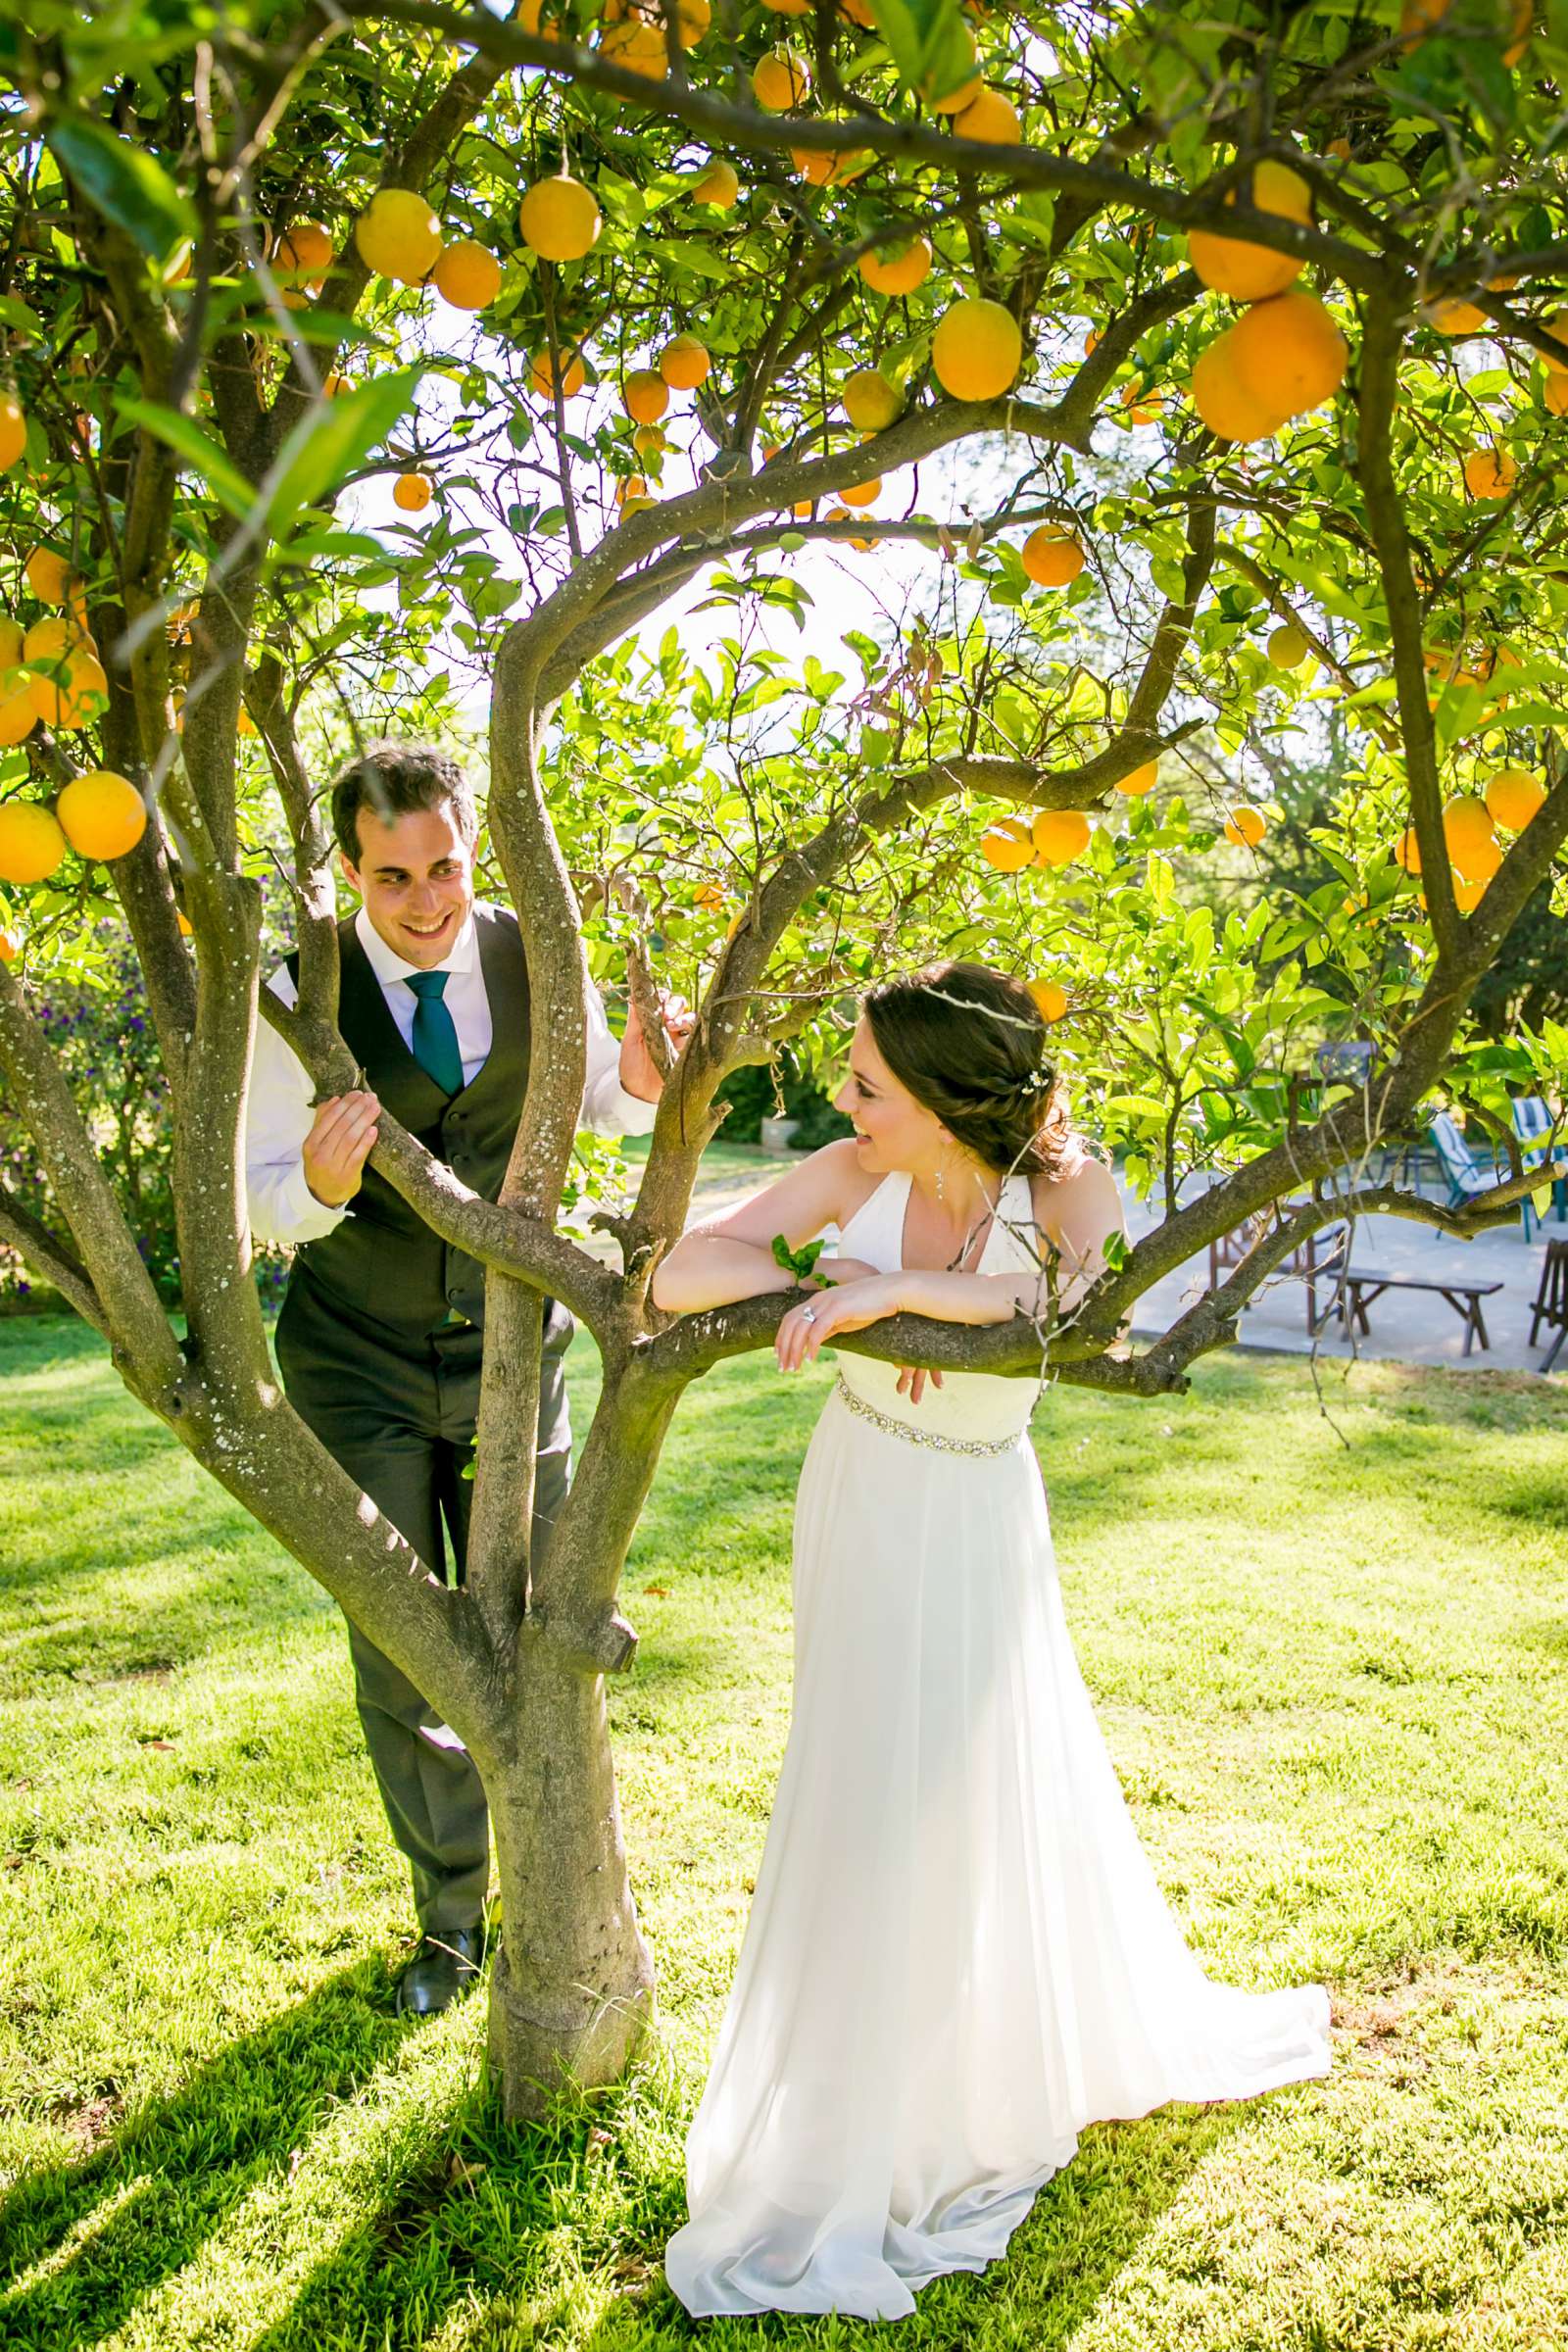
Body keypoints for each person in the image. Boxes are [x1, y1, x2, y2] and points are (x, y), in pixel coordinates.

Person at [653, 960, 1333, 2321]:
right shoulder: (857, 1174)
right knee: (866, 1795)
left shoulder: (1071, 1192)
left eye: (866, 1084)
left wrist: (897, 1299)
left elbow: (1073, 1317)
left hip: (975, 1515)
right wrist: (828, 1265)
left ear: (953, 1101)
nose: (842, 1102)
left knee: (969, 1792)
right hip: (864, 1495)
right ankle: (865, 2091)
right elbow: (677, 1269)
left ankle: (973, 2076)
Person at [246, 740, 688, 2018]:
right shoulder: (297, 990)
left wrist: (649, 1076)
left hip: (516, 1351)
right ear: (346, 870)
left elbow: (601, 1092)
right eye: (394, 878)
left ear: (469, 851)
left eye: (443, 867)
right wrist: (324, 1185)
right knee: (405, 1645)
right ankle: (449, 1922)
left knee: (543, 1622)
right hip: (357, 1364)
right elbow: (264, 1193)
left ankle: (559, 1881)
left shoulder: (532, 949)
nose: (428, 901)